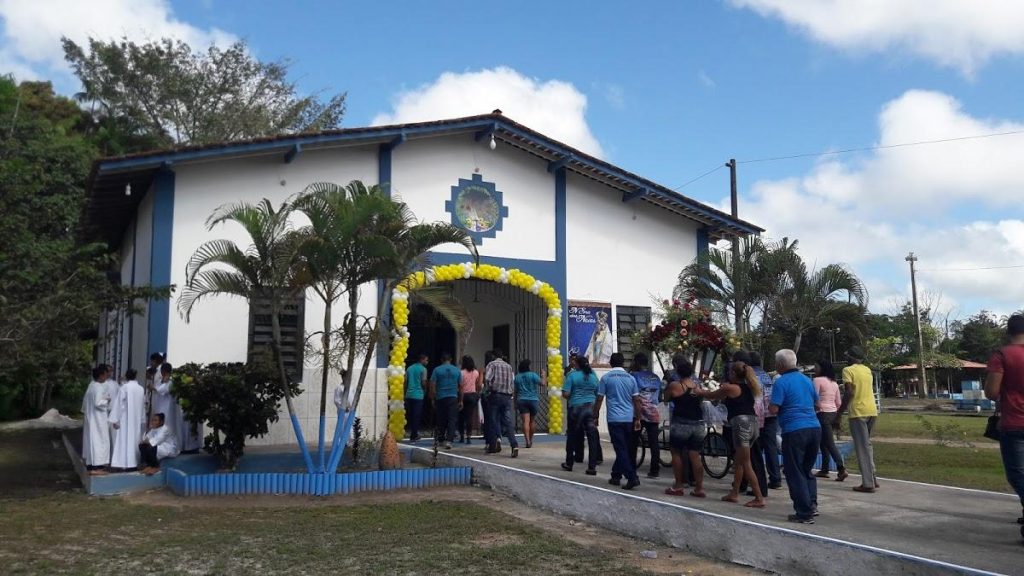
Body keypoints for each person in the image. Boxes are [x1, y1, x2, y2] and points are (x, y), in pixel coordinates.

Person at [697, 360, 765, 508]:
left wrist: (699, 391)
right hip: (753, 423)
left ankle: (759, 497)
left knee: (746, 462)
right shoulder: (749, 387)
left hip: (741, 424)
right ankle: (734, 493)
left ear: (733, 373)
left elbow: (712, 395)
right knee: (739, 460)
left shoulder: (731, 388)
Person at [770, 349, 822, 524]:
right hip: (814, 427)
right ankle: (812, 505)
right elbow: (818, 405)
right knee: (806, 469)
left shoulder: (781, 382)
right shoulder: (807, 380)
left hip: (794, 430)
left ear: (780, 365)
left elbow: (774, 408)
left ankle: (804, 512)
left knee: (794, 471)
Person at [984, 314, 1024, 538]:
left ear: (1008, 331)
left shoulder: (1002, 355)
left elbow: (991, 392)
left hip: (1015, 422)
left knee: (1017, 474)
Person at [595, 353, 642, 490]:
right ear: (623, 363)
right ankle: (616, 475)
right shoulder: (631, 378)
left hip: (614, 419)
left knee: (620, 449)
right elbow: (636, 400)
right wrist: (638, 418)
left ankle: (632, 477)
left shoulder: (606, 378)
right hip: (628, 418)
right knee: (624, 448)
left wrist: (595, 415)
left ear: (610, 363)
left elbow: (599, 399)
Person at [664, 354, 706, 498]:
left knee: (676, 453)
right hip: (698, 423)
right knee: (695, 455)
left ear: (678, 372)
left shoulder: (675, 385)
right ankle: (699, 488)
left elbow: (666, 398)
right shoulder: (697, 385)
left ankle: (678, 485)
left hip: (681, 422)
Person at [840, 345, 878, 493]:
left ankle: (868, 484)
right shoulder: (867, 370)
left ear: (851, 357)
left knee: (862, 447)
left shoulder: (848, 370)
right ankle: (873, 478)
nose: (845, 358)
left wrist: (839, 413)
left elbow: (849, 393)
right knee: (867, 445)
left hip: (858, 412)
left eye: (847, 356)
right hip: (871, 410)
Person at [561, 355, 601, 474]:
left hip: (575, 408)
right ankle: (592, 467)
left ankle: (569, 463)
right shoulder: (593, 377)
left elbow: (566, 394)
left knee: (572, 436)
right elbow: (598, 394)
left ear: (577, 364)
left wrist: (572, 395)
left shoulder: (572, 375)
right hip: (590, 409)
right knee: (592, 437)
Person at [751, 352, 782, 489]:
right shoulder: (767, 376)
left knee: (755, 450)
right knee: (771, 448)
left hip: (757, 416)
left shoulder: (751, 376)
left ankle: (758, 481)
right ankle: (775, 479)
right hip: (770, 414)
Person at [630, 352, 663, 479]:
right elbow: (660, 396)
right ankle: (654, 470)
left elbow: (632, 394)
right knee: (654, 442)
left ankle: (631, 467)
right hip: (653, 413)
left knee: (633, 441)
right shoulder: (656, 377)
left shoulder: (634, 376)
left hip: (638, 413)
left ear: (636, 362)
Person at [813, 360, 847, 481]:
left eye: (816, 366)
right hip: (832, 413)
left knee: (829, 443)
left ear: (822, 368)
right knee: (824, 442)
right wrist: (838, 416)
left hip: (822, 413)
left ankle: (841, 468)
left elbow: (814, 397)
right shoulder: (834, 383)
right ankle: (824, 468)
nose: (814, 369)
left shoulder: (817, 380)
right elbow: (838, 402)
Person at [109, 368, 146, 471]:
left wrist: (115, 419)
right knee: (135, 440)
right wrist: (142, 418)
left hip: (126, 419)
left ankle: (125, 463)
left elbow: (119, 404)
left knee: (125, 440)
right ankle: (134, 462)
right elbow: (142, 405)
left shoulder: (124, 388)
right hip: (136, 418)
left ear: (126, 376)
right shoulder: (140, 388)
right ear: (135, 376)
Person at [484, 349, 519, 457]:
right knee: (507, 422)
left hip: (495, 395)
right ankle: (514, 445)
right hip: (507, 397)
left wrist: (489, 389)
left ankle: (496, 440)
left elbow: (487, 379)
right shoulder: (509, 366)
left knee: (493, 420)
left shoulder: (492, 364)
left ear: (493, 356)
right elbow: (512, 383)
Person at [82, 365, 113, 475]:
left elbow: (85, 403)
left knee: (92, 441)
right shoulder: (99, 387)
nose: (107, 376)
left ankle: (91, 465)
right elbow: (98, 403)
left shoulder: (91, 386)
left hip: (91, 418)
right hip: (98, 419)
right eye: (105, 374)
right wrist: (107, 400)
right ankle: (97, 467)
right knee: (100, 441)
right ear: (101, 375)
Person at [430, 353, 462, 449]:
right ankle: (449, 441)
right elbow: (461, 386)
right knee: (452, 419)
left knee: (441, 419)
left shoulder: (437, 370)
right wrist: (461, 400)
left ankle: (441, 439)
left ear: (441, 359)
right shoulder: (457, 370)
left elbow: (432, 385)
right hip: (453, 396)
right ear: (451, 359)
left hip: (441, 397)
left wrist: (433, 398)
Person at [514, 359, 544, 448]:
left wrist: (514, 402)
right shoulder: (533, 375)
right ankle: (530, 440)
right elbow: (543, 383)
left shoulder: (517, 377)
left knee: (525, 421)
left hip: (521, 399)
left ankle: (527, 440)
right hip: (533, 399)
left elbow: (515, 391)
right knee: (532, 421)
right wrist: (543, 375)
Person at [458, 355, 482, 444]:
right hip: (472, 395)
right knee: (469, 417)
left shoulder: (461, 373)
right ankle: (468, 436)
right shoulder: (476, 372)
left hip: (463, 395)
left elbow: (460, 386)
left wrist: (460, 400)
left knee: (461, 417)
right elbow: (478, 384)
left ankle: (461, 436)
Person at [404, 354, 428, 442]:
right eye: (426, 360)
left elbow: (405, 382)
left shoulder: (409, 368)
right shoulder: (423, 369)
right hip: (418, 395)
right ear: (422, 360)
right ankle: (414, 434)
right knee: (416, 415)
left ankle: (412, 432)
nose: (427, 362)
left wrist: (405, 393)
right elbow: (423, 382)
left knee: (411, 415)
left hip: (409, 395)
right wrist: (425, 391)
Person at [102, 364, 120, 455]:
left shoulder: (115, 384)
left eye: (111, 371)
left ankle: (114, 456)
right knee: (104, 436)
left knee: (114, 436)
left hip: (113, 413)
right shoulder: (101, 384)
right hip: (103, 412)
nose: (110, 373)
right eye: (108, 371)